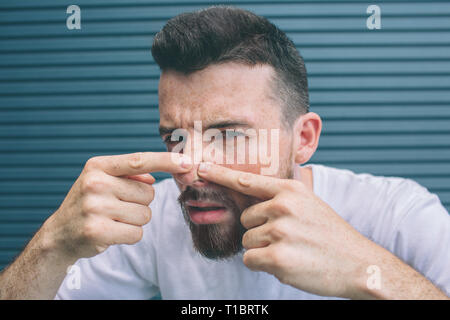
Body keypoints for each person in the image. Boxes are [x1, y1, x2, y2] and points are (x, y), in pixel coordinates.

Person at [0, 6, 449, 300]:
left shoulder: (398, 213)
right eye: (175, 137)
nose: (191, 171)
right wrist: (52, 245)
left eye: (228, 135)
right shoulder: (152, 216)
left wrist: (366, 270)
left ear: (304, 139)